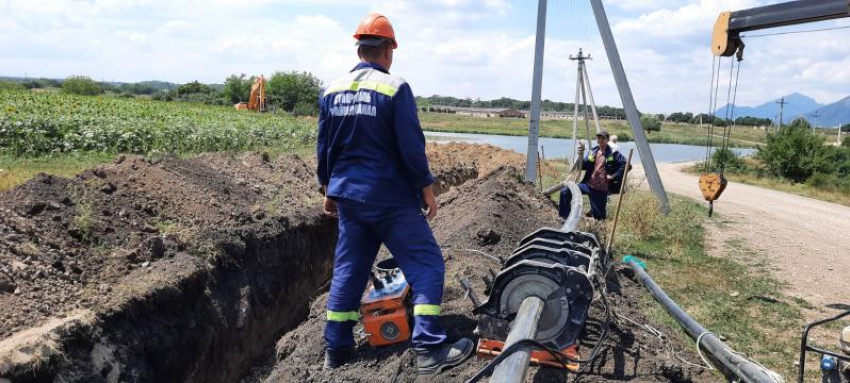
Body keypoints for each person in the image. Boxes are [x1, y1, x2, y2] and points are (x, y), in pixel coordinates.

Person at [316, 13, 473, 375]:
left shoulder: (331, 89)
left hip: (349, 198)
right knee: (427, 263)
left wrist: (327, 189)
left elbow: (325, 146)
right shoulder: (395, 87)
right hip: (389, 197)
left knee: (349, 271)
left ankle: (335, 350)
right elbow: (411, 147)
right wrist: (426, 189)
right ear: (388, 50)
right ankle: (430, 348)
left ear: (359, 47)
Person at [558, 130, 627, 220]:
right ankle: (564, 217)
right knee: (565, 192)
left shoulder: (613, 154)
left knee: (599, 218)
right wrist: (580, 155)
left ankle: (599, 224)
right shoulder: (593, 152)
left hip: (600, 190)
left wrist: (614, 176)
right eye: (599, 138)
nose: (600, 140)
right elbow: (583, 165)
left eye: (603, 138)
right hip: (588, 185)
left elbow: (625, 164)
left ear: (607, 140)